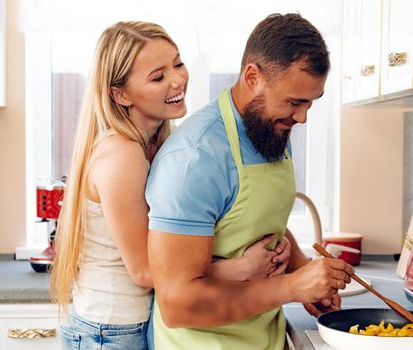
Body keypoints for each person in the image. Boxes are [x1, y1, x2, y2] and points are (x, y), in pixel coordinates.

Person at [49, 21, 292, 350]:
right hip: (108, 331)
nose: (178, 80)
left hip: (134, 324)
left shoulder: (164, 142)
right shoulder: (122, 154)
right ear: (120, 94)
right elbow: (147, 271)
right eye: (158, 76)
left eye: (177, 64)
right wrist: (240, 268)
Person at [146, 13, 355, 350]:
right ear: (253, 76)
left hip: (264, 338)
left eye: (311, 103)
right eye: (294, 102)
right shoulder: (194, 159)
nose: (302, 117)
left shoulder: (270, 129)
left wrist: (306, 274)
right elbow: (178, 304)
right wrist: (290, 287)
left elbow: (259, 220)